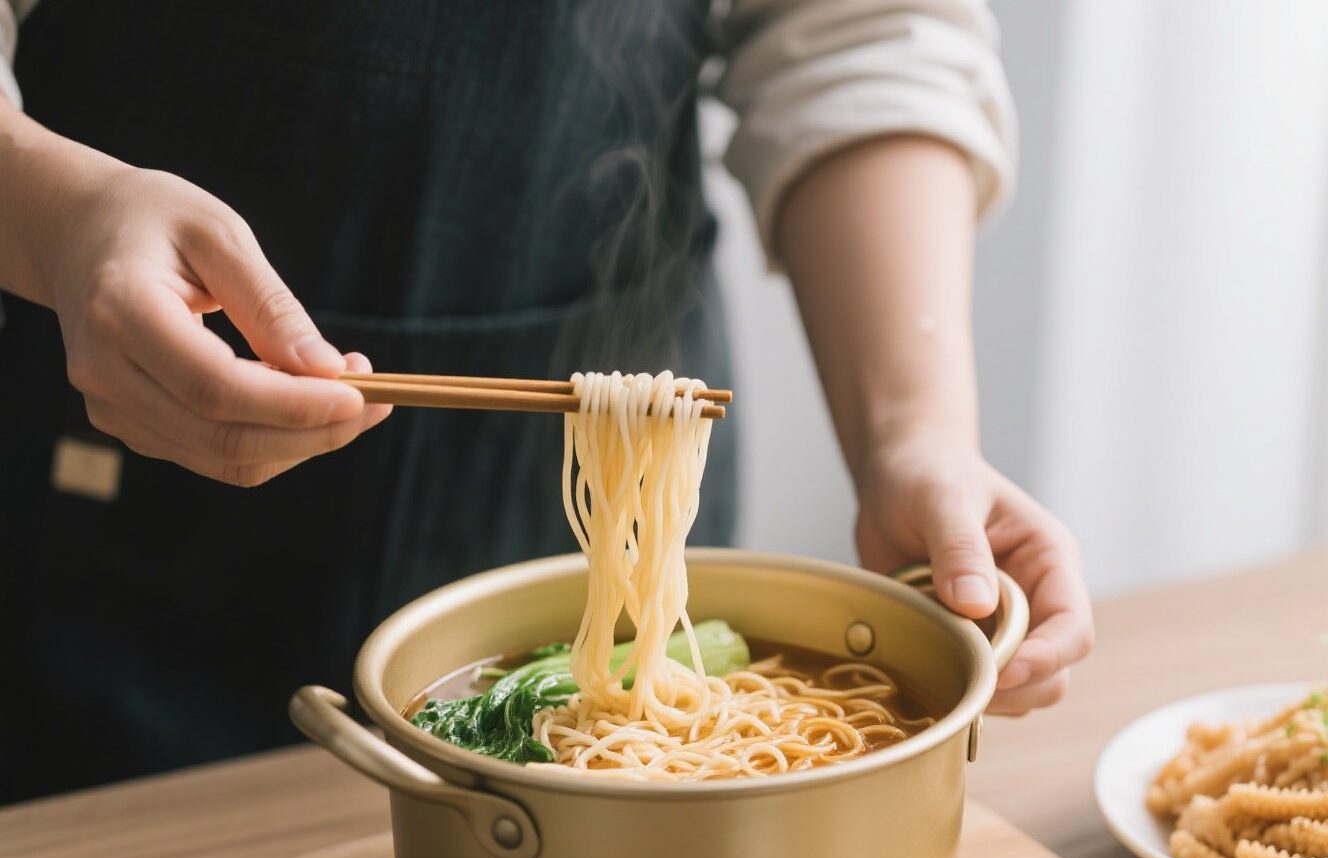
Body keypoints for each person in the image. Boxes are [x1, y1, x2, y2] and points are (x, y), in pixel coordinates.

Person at [0, 1, 1092, 802]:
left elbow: (859, 30)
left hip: (599, 368)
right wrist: (62, 216)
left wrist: (913, 435)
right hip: (120, 441)